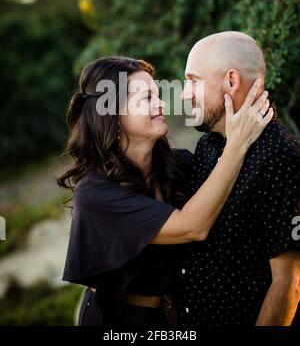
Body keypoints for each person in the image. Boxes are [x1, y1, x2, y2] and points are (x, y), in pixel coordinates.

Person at [58, 56, 272, 326]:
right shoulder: (96, 195)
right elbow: (192, 226)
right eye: (147, 98)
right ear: (112, 114)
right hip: (121, 320)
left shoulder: (177, 164)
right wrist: (237, 143)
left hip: (175, 316)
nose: (161, 104)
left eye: (158, 95)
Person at [179, 31, 300, 326]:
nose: (183, 94)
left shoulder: (279, 155)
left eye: (193, 81)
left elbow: (289, 284)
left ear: (231, 81)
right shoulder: (208, 145)